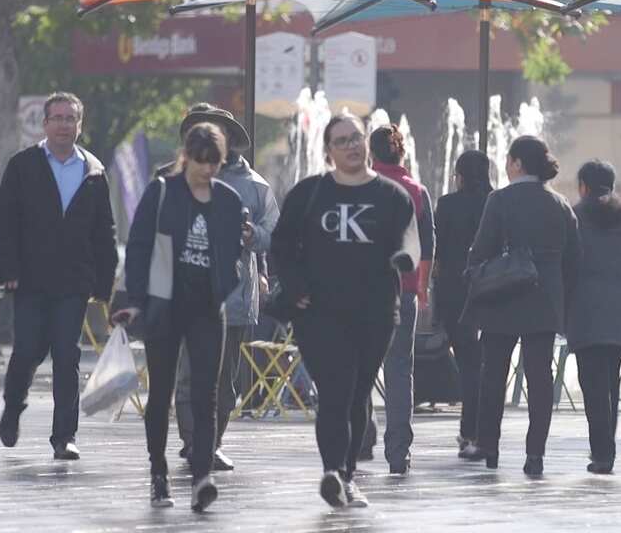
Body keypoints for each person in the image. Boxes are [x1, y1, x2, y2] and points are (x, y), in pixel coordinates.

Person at [269, 113, 418, 508]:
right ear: (328, 150)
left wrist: (405, 260)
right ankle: (334, 471)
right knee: (336, 390)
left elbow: (410, 241)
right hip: (319, 313)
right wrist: (295, 287)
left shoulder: (392, 196)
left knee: (356, 396)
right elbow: (282, 248)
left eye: (356, 138)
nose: (352, 145)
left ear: (366, 142)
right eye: (342, 140)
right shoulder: (308, 193)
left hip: (375, 313)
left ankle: (346, 477)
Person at [114, 123, 245, 511]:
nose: (207, 170)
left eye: (215, 163)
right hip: (164, 303)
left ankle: (202, 476)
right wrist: (135, 299)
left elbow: (233, 252)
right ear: (185, 156)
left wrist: (226, 285)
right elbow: (138, 247)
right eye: (201, 162)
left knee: (207, 395)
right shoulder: (161, 192)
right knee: (160, 395)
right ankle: (159, 472)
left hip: (208, 308)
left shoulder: (228, 200)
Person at [0, 92, 118, 461]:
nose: (64, 125)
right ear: (45, 124)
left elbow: (104, 230)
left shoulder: (93, 170)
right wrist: (9, 269)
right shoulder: (23, 165)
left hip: (74, 282)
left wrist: (105, 280)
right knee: (28, 350)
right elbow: (5, 222)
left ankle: (64, 436)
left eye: (71, 119)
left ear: (80, 126)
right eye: (57, 118)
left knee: (67, 355)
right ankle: (13, 405)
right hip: (30, 279)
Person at [156, 104, 279, 474]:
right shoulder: (168, 180)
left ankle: (214, 441)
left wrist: (251, 235)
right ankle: (195, 443)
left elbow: (275, 234)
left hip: (234, 297)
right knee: (189, 376)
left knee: (225, 382)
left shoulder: (255, 186)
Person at [461, 135, 579, 476]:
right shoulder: (560, 205)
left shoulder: (499, 200)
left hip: (503, 297)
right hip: (544, 301)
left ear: (516, 164)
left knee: (493, 374)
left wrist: (475, 270)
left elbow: (482, 248)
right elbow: (575, 258)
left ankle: (490, 447)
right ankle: (535, 454)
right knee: (540, 378)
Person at [566, 159, 621, 474]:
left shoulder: (573, 218)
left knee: (591, 383)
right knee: (610, 383)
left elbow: (565, 265)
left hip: (583, 310)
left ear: (584, 186)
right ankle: (606, 452)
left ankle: (602, 452)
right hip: (620, 312)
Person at [363, 124, 434, 474]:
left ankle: (361, 440)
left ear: (371, 153)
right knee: (399, 369)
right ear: (402, 152)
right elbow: (428, 246)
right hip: (402, 290)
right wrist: (421, 287)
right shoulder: (417, 191)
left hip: (359, 292)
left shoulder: (360, 187)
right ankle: (398, 453)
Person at [432, 149, 493, 458]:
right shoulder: (496, 202)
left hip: (456, 294)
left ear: (460, 175)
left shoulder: (447, 205)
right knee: (487, 364)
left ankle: (470, 432)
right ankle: (483, 433)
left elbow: (437, 252)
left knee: (469, 363)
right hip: (493, 293)